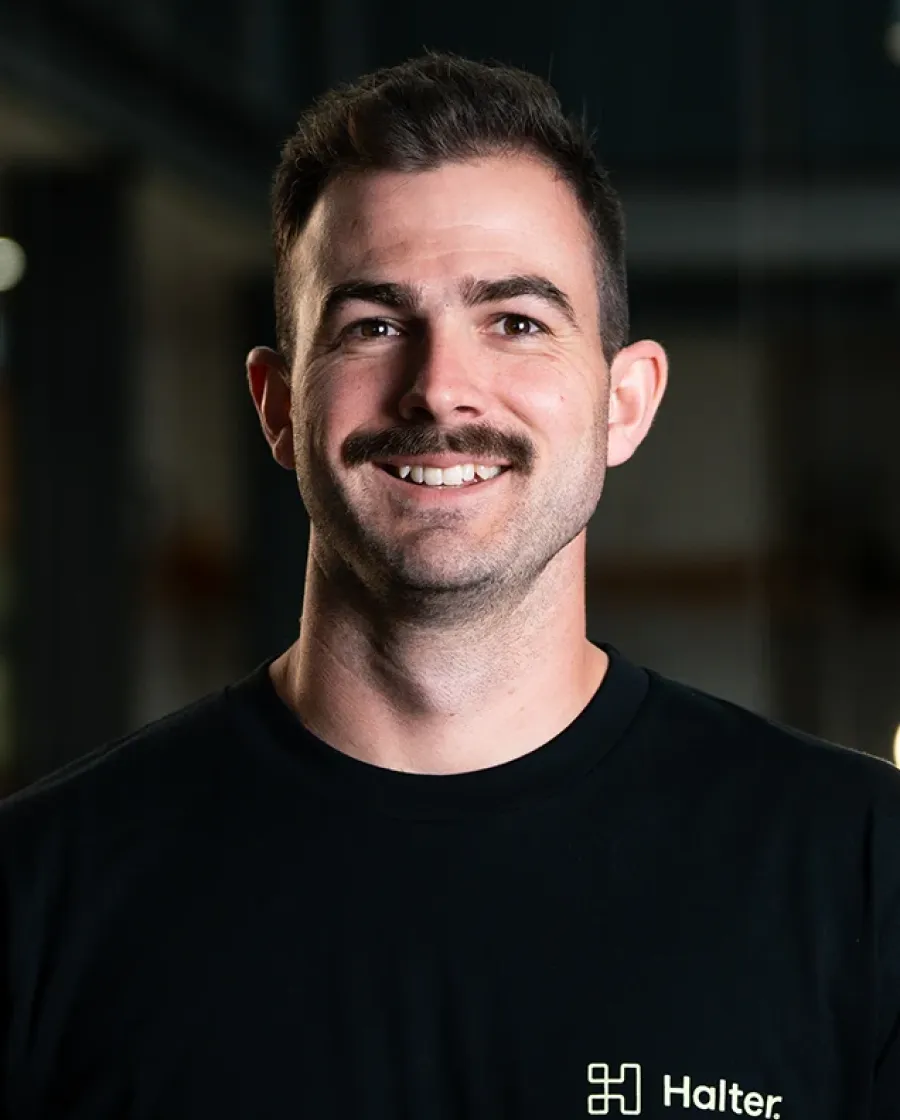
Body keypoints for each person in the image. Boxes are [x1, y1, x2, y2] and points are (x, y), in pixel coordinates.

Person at [1, 52, 898, 1120]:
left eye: (516, 321)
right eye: (373, 324)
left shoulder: (862, 873)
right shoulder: (42, 897)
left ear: (626, 401)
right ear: (278, 405)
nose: (439, 389)